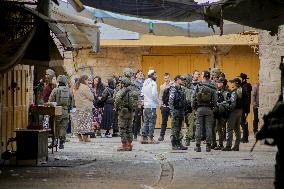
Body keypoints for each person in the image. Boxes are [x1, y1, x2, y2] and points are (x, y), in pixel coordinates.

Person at [192, 71, 217, 152]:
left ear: (203, 77)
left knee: (198, 127)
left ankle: (198, 146)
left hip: (199, 109)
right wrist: (213, 108)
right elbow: (215, 100)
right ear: (209, 77)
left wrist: (194, 107)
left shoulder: (198, 85)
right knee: (208, 127)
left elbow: (193, 97)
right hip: (209, 109)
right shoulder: (212, 86)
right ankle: (208, 146)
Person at [114, 77, 139, 151]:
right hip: (130, 112)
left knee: (122, 128)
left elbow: (117, 100)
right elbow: (136, 102)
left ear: (123, 84)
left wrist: (117, 108)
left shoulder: (121, 91)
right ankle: (129, 144)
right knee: (129, 128)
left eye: (120, 83)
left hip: (123, 112)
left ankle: (124, 145)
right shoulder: (132, 91)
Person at [48, 75, 73, 149]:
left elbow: (50, 101)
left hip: (56, 110)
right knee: (63, 127)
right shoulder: (69, 90)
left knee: (56, 126)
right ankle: (62, 141)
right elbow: (71, 102)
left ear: (58, 81)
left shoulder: (55, 90)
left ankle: (55, 140)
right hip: (65, 111)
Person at [223, 78, 243, 151]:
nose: (232, 84)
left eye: (233, 82)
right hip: (240, 111)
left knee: (230, 128)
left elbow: (233, 103)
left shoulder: (234, 92)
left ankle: (228, 146)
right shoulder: (241, 90)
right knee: (237, 128)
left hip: (234, 111)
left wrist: (228, 110)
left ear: (236, 83)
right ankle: (237, 145)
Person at [73, 75, 94, 142]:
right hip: (86, 108)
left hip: (79, 107)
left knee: (79, 123)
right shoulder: (85, 87)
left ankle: (80, 138)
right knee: (85, 124)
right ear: (84, 80)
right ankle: (86, 138)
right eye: (88, 80)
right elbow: (91, 97)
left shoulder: (76, 87)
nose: (89, 82)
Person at [169, 75, 187, 150]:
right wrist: (172, 111)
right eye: (181, 79)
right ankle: (174, 144)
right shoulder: (173, 88)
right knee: (174, 128)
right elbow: (171, 101)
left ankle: (179, 143)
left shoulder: (181, 89)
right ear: (177, 80)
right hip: (175, 111)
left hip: (180, 111)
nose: (182, 81)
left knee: (179, 128)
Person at [141, 69, 159, 144]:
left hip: (146, 105)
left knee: (145, 121)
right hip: (151, 105)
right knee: (152, 122)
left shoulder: (144, 82)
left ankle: (144, 138)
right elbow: (154, 94)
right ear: (151, 75)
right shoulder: (153, 83)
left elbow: (141, 93)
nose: (156, 76)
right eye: (155, 75)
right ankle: (150, 138)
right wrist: (158, 102)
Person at [212, 77, 230, 150]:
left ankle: (221, 144)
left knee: (220, 128)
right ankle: (215, 143)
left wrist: (219, 104)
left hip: (222, 113)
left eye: (218, 82)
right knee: (216, 128)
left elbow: (228, 102)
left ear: (222, 83)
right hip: (217, 112)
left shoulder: (226, 92)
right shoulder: (217, 90)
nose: (217, 83)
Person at [158, 73, 174, 141]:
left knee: (174, 122)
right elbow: (160, 97)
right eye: (165, 78)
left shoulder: (173, 84)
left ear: (169, 77)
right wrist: (161, 105)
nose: (166, 79)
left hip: (172, 107)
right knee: (164, 122)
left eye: (167, 78)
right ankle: (161, 135)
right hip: (165, 106)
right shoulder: (162, 86)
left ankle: (174, 136)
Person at [239, 73, 252, 143]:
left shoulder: (245, 86)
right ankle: (245, 137)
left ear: (243, 79)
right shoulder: (243, 86)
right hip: (244, 108)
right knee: (243, 122)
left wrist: (246, 110)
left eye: (240, 78)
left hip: (244, 108)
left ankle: (245, 138)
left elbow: (247, 99)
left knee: (243, 122)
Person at [132, 70, 144, 140]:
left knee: (144, 119)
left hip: (145, 102)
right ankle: (135, 133)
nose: (141, 75)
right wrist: (139, 101)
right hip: (137, 103)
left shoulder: (145, 83)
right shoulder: (134, 83)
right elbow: (134, 93)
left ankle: (143, 134)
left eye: (142, 74)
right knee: (136, 119)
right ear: (136, 75)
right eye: (139, 74)